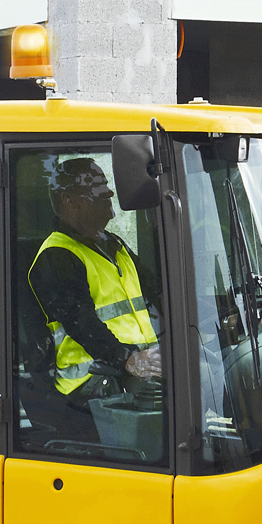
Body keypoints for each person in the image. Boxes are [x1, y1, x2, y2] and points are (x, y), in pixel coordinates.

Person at [26, 157, 161, 409]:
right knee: (174, 395)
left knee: (206, 368)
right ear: (69, 201)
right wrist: (129, 360)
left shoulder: (114, 245)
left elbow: (159, 294)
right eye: (97, 189)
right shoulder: (57, 255)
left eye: (106, 185)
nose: (109, 193)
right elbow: (81, 322)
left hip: (134, 365)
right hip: (93, 377)